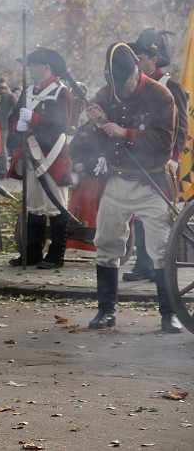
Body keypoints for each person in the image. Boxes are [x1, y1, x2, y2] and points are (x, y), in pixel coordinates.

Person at [81, 43, 181, 333]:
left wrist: (127, 133)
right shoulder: (105, 94)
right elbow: (92, 143)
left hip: (151, 181)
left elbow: (165, 141)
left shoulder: (161, 94)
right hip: (115, 180)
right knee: (107, 243)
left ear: (137, 71)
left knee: (162, 247)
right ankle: (106, 311)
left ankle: (169, 314)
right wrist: (95, 125)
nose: (121, 90)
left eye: (125, 82)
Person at [123, 29, 189, 282]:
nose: (138, 64)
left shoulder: (170, 85)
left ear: (153, 58)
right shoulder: (134, 87)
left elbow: (181, 128)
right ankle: (143, 263)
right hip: (138, 158)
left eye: (140, 58)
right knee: (140, 212)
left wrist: (172, 159)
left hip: (162, 161)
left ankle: (159, 264)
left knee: (159, 214)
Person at [6, 48, 75, 269]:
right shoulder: (28, 91)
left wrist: (34, 119)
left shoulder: (61, 92)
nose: (30, 69)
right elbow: (14, 118)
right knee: (34, 206)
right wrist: (19, 124)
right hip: (30, 154)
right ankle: (33, 253)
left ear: (46, 67)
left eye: (34, 65)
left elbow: (61, 125)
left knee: (55, 206)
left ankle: (56, 256)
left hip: (52, 156)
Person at [0, 77, 18, 179]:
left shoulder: (9, 97)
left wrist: (9, 93)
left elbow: (16, 106)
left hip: (3, 126)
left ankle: (2, 171)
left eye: (3, 87)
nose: (1, 89)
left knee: (2, 148)